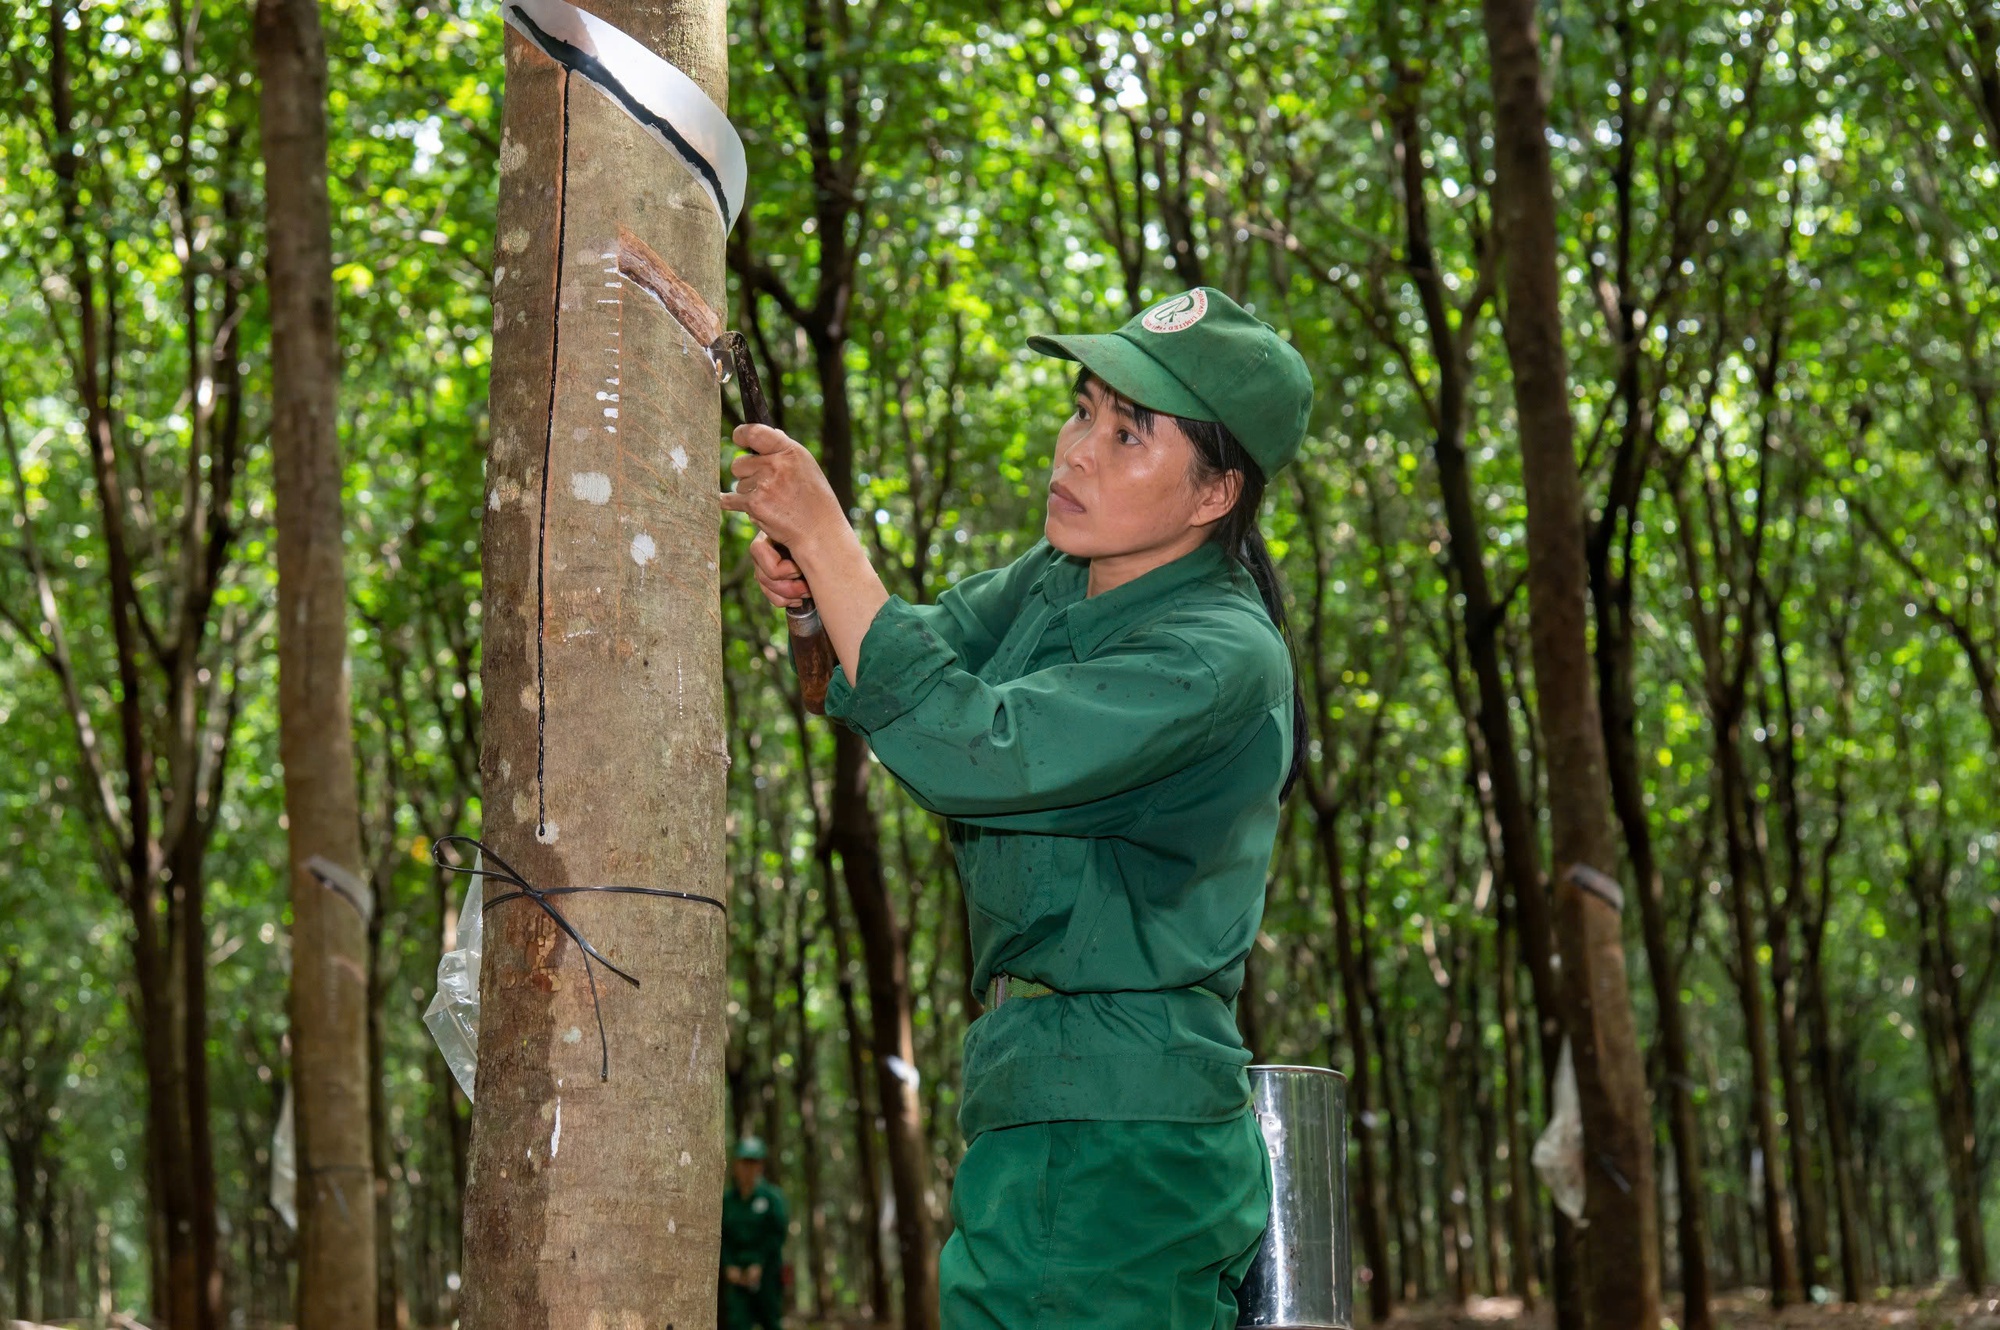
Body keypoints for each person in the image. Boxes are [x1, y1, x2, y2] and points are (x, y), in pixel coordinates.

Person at [719, 286, 1312, 1330]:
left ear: (1215, 495)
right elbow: (920, 646)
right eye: (1082, 408)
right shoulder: (1057, 576)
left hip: (1117, 1127)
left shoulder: (1216, 652)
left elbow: (981, 746)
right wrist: (818, 588)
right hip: (1035, 1099)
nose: (1077, 448)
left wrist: (830, 536)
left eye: (1128, 433)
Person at [719, 1136, 788, 1330]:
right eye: (744, 1163)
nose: (748, 1169)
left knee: (771, 1321)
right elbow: (722, 1237)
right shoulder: (728, 1201)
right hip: (737, 1275)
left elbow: (777, 1234)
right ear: (736, 1165)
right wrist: (729, 1264)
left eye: (753, 1163)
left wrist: (759, 1262)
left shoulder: (773, 1198)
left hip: (767, 1274)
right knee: (737, 1323)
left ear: (761, 1166)